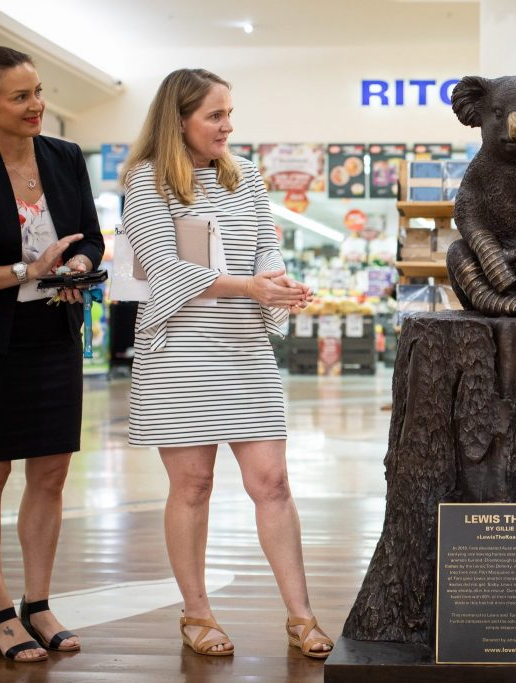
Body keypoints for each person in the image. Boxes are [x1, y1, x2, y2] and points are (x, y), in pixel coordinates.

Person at [120, 68, 331, 659]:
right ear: (178, 118)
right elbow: (163, 267)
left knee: (274, 483)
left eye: (229, 113)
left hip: (243, 349)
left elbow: (268, 243)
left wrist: (277, 282)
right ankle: (196, 612)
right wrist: (250, 288)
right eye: (215, 115)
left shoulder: (244, 178)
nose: (227, 125)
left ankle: (302, 615)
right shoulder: (146, 182)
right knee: (192, 485)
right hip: (181, 354)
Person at [0, 46, 103, 662]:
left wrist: (82, 261)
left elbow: (87, 231)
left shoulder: (63, 156)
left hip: (55, 334)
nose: (36, 105)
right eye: (19, 96)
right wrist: (25, 269)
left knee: (51, 472)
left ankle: (37, 603)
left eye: (38, 92)